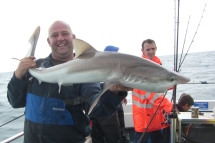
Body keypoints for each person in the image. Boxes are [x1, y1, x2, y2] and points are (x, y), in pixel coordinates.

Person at [7, 21, 131, 143]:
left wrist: (112, 93)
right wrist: (18, 76)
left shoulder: (86, 70)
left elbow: (98, 110)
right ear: (48, 41)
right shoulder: (36, 67)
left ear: (73, 37)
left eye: (65, 34)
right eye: (54, 35)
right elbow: (15, 102)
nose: (60, 38)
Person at [132, 39, 173, 143]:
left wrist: (171, 83)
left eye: (153, 48)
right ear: (142, 50)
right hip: (144, 119)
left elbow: (159, 86)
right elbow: (152, 93)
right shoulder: (141, 68)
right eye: (148, 49)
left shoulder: (158, 65)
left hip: (156, 117)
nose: (151, 51)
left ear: (156, 49)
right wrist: (170, 107)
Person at [90, 45, 129, 143]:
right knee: (114, 138)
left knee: (100, 138)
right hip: (106, 112)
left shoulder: (98, 71)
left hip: (97, 109)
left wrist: (120, 95)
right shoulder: (109, 72)